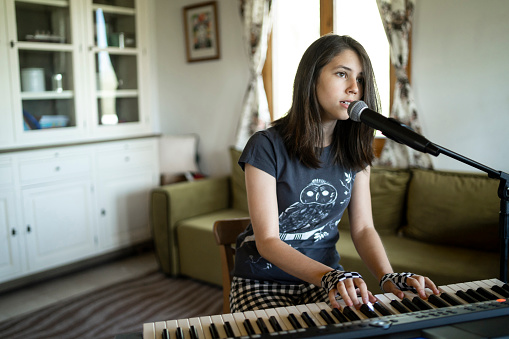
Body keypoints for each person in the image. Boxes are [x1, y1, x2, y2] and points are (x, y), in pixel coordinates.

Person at [230, 34, 440, 313]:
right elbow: (268, 241)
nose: (354, 88)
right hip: (262, 281)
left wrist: (386, 275)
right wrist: (329, 277)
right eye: (342, 74)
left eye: (361, 79)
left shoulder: (354, 150)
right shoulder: (266, 145)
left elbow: (364, 229)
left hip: (325, 280)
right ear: (311, 78)